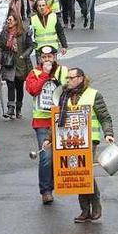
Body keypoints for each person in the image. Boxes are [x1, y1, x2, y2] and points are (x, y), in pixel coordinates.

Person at [53, 68, 115, 223]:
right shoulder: (64, 95)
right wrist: (50, 138)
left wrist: (108, 133)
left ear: (80, 78)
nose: (68, 80)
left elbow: (105, 116)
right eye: (67, 78)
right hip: (69, 139)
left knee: (84, 172)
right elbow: (57, 119)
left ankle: (95, 204)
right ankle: (85, 211)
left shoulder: (94, 94)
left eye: (71, 78)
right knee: (77, 173)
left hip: (89, 139)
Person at [24, 45, 68, 204]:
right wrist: (45, 74)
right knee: (46, 155)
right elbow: (33, 90)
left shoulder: (63, 71)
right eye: (44, 57)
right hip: (42, 120)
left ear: (55, 57)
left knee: (60, 155)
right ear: (40, 59)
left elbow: (70, 89)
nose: (47, 60)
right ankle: (46, 190)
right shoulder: (34, 73)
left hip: (61, 118)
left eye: (50, 57)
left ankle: (58, 183)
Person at [0, 15, 32, 119]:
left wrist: (24, 55)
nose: (9, 22)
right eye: (7, 20)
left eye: (11, 20)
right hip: (8, 62)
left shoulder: (24, 31)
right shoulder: (5, 32)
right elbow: (0, 46)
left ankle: (18, 108)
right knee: (10, 85)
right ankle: (10, 108)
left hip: (20, 62)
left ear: (16, 21)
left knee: (19, 86)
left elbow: (31, 46)